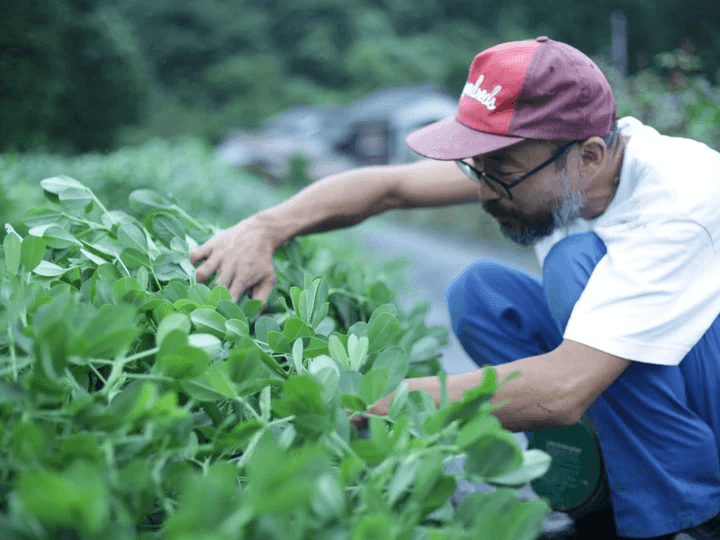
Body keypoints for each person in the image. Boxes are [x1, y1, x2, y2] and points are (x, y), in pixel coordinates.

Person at [189, 37, 720, 539]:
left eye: (500, 169)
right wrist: (265, 228)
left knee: (570, 264)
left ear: (589, 157)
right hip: (639, 369)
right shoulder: (557, 160)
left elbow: (563, 389)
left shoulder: (679, 201)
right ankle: (598, 489)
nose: (484, 191)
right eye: (477, 167)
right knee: (483, 295)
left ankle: (687, 514)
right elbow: (390, 188)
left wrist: (385, 402)